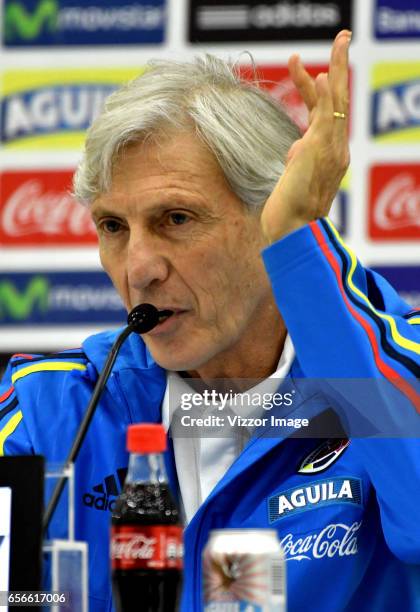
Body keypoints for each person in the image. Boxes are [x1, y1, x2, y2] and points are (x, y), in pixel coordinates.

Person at [1, 29, 420, 611]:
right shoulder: (51, 409)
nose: (139, 270)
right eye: (113, 227)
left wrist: (300, 249)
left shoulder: (389, 374)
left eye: (176, 218)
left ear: (269, 221)